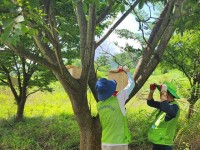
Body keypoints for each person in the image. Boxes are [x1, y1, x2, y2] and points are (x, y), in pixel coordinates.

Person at [95, 66, 135, 150]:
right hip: (119, 142)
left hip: (105, 142)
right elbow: (132, 84)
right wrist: (127, 71)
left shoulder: (99, 105)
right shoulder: (119, 99)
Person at [147, 82, 180, 150]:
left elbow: (165, 107)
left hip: (165, 143)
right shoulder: (164, 104)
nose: (161, 94)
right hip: (157, 140)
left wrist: (163, 91)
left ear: (169, 94)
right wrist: (151, 91)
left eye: (163, 92)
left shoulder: (174, 106)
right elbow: (150, 103)